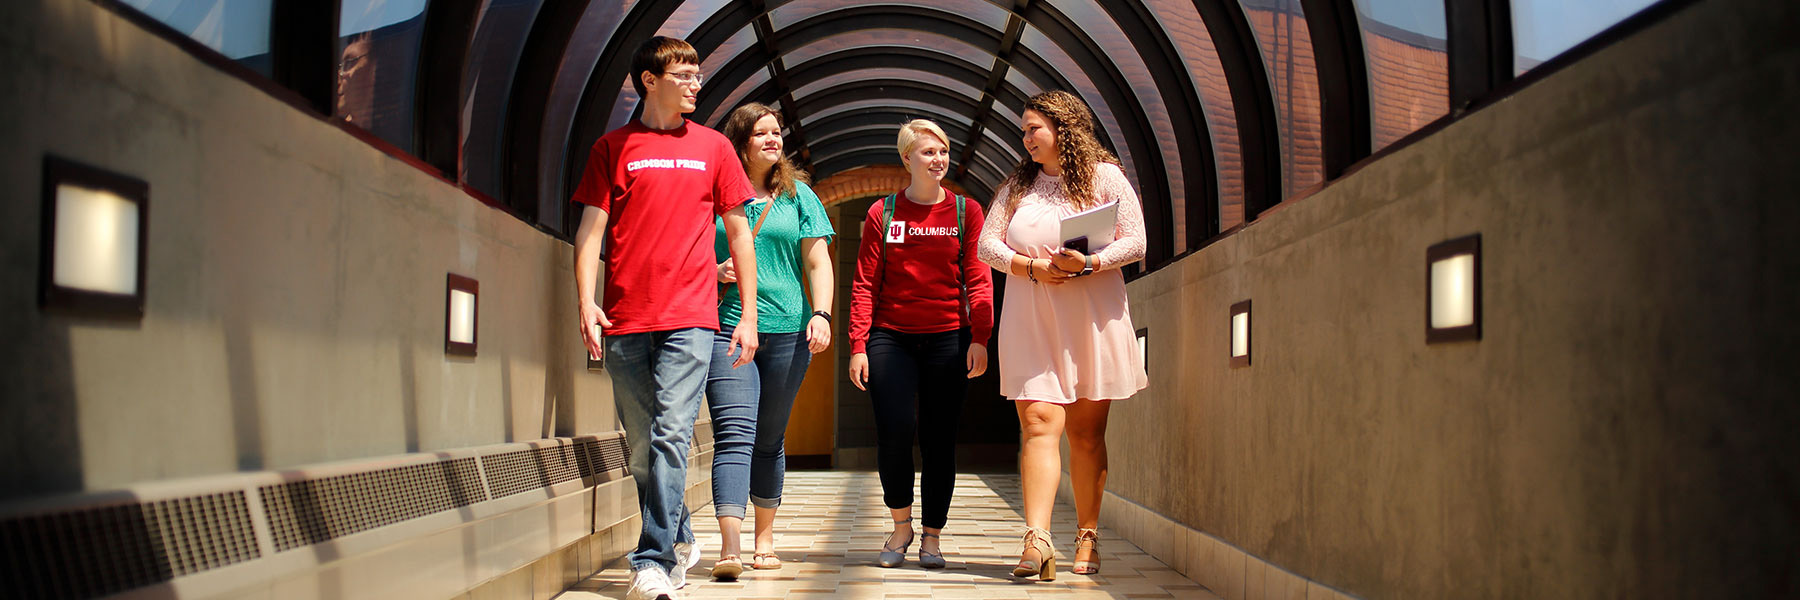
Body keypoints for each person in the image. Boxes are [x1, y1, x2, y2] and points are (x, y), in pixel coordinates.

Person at [571, 36, 760, 600]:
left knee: (672, 432)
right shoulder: (613, 148)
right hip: (626, 317)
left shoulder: (714, 149)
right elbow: (590, 234)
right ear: (650, 81)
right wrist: (585, 301)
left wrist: (746, 315)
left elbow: (740, 235)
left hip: (692, 315)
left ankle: (651, 561)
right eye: (685, 73)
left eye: (698, 73)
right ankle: (677, 533)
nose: (696, 83)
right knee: (640, 444)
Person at [975, 90, 1149, 581]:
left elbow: (1136, 239)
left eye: (1034, 128)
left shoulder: (1104, 176)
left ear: (1064, 129)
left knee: (1086, 434)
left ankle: (1088, 537)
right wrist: (1029, 267)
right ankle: (1037, 540)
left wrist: (1090, 262)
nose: (1025, 137)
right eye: (1024, 129)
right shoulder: (1016, 185)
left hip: (1091, 316)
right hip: (1031, 316)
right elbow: (988, 243)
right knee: (1037, 423)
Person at [847, 119, 994, 570]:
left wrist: (981, 337)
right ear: (907, 157)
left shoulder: (967, 212)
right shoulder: (883, 213)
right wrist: (858, 343)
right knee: (893, 431)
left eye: (943, 151)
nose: (938, 159)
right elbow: (865, 283)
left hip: (948, 337)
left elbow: (978, 277)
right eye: (928, 152)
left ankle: (932, 536)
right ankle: (901, 525)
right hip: (891, 338)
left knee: (938, 439)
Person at [703, 102, 835, 580]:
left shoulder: (798, 196)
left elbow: (818, 261)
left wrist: (821, 313)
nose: (773, 139)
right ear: (740, 142)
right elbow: (685, 246)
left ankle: (764, 536)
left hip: (787, 330)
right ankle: (731, 546)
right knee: (734, 432)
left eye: (777, 132)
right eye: (762, 133)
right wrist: (711, 272)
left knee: (770, 435)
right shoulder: (713, 192)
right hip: (726, 326)